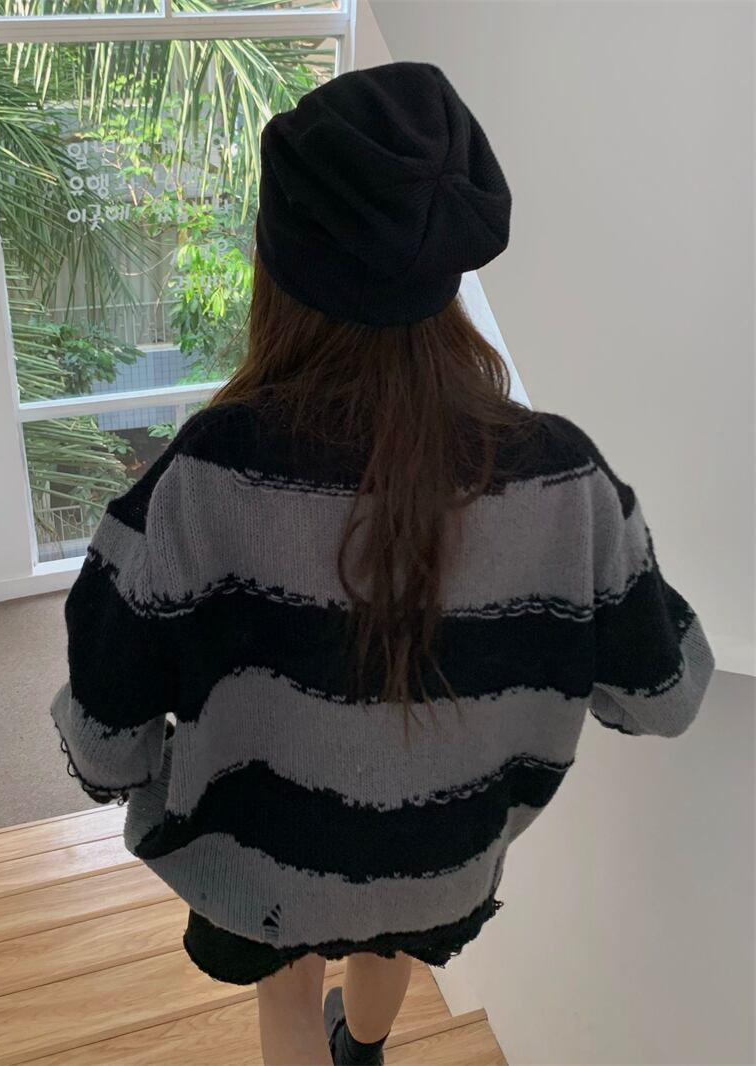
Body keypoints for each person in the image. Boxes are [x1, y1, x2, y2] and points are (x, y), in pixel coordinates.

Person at [50, 61, 717, 1066]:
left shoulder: (204, 474)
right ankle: (360, 1050)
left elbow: (107, 741)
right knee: (393, 925)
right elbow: (662, 695)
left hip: (268, 860)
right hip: (438, 860)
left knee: (286, 968)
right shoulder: (563, 475)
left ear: (279, 270)